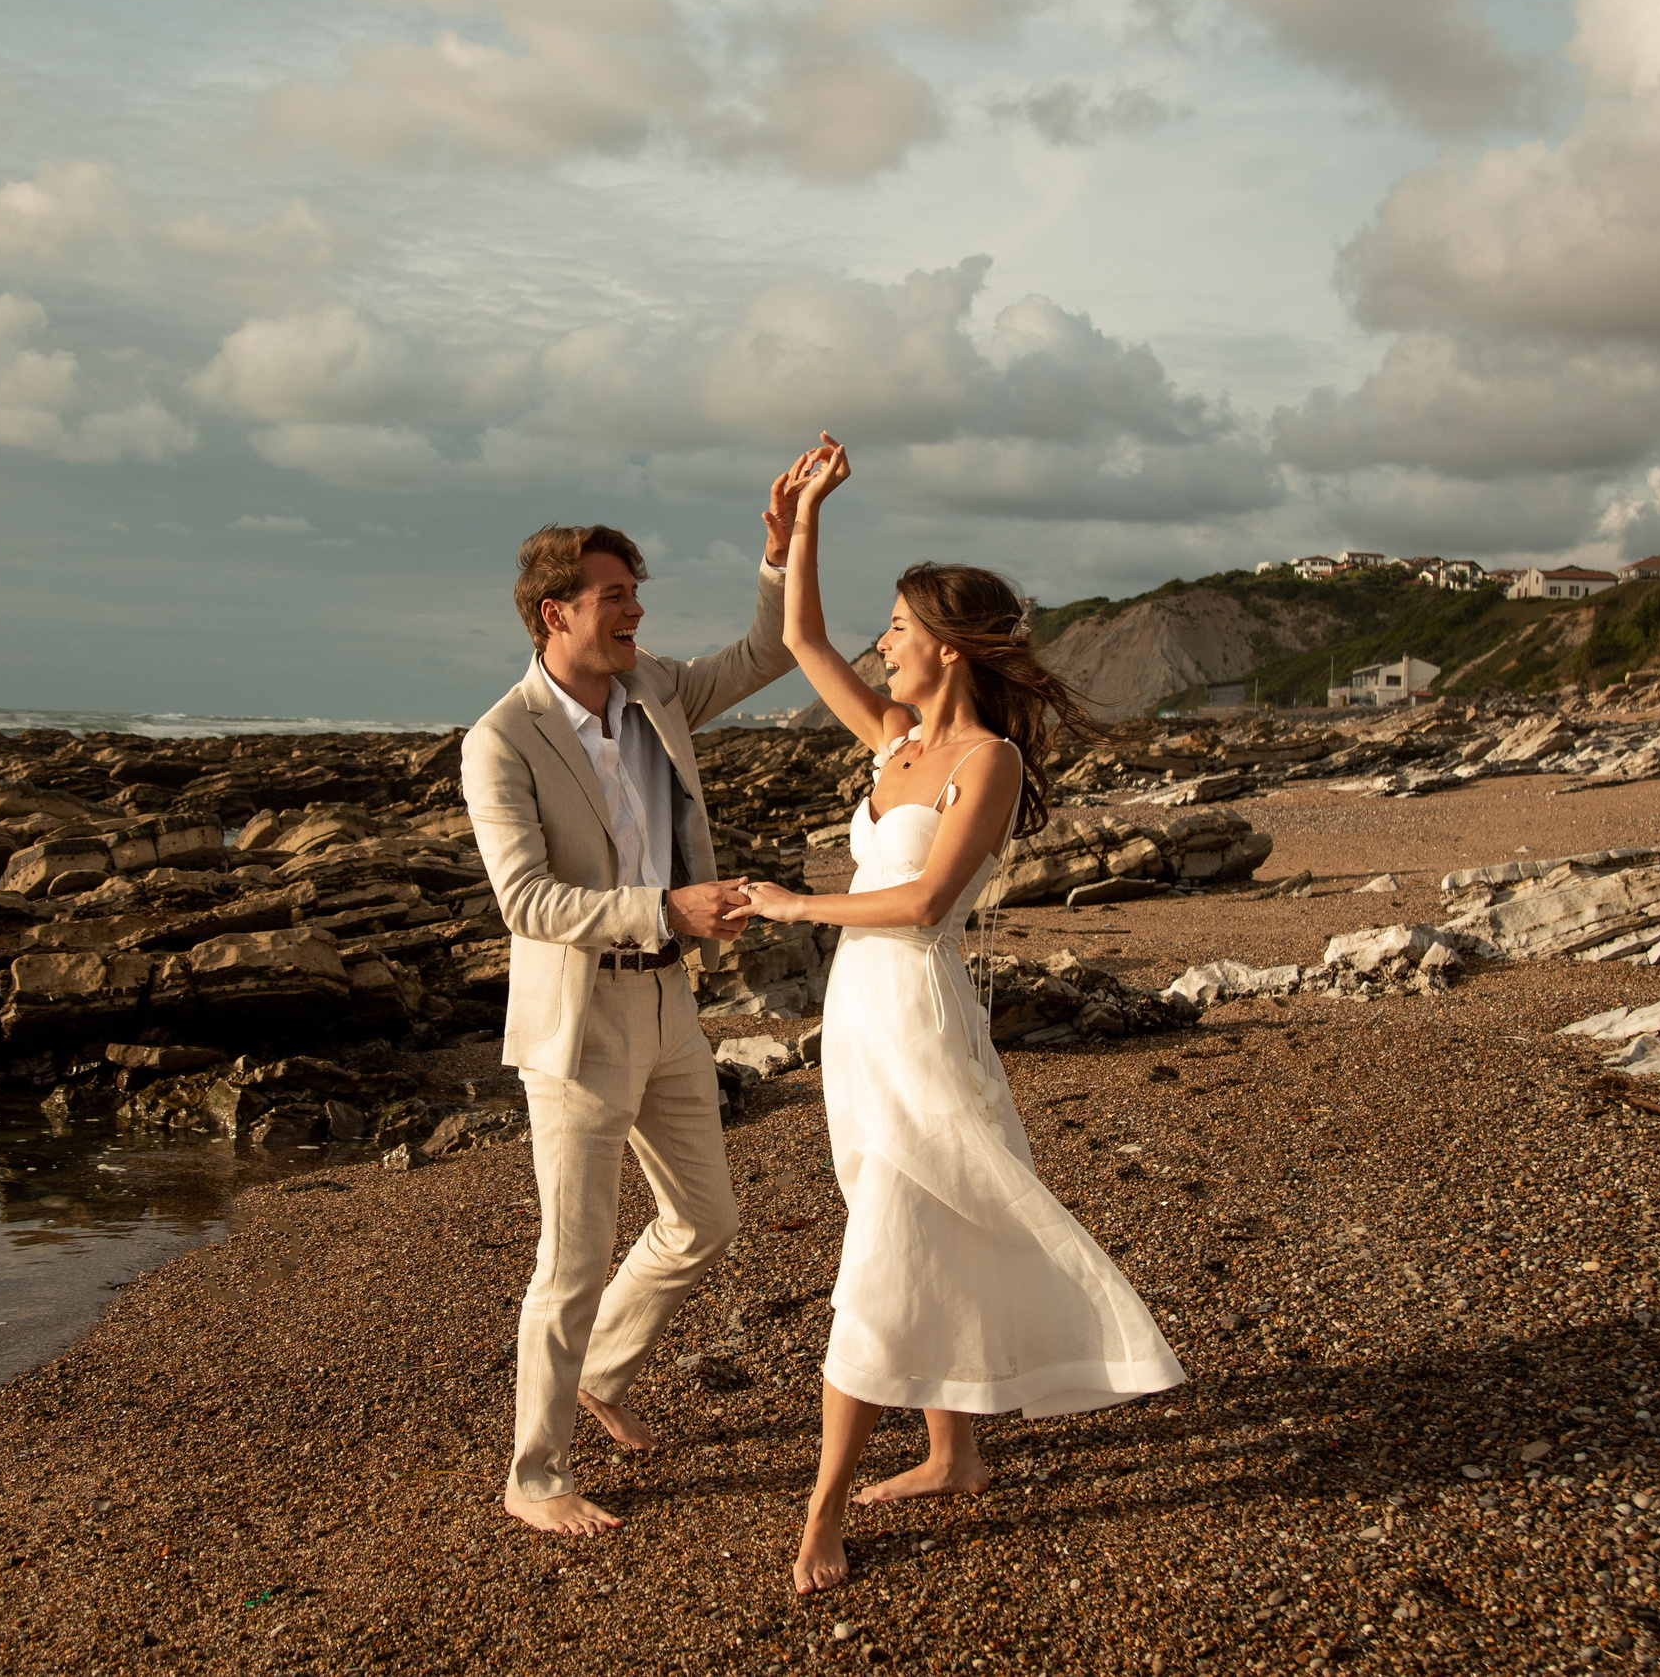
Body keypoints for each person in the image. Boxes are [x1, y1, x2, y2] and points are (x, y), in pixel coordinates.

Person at [738, 434, 1185, 1593]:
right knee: (910, 1226)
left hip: (920, 1015)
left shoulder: (982, 763)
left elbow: (930, 899)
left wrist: (794, 904)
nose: (881, 644)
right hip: (859, 1025)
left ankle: (823, 1512)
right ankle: (956, 1454)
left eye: (897, 628)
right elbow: (798, 638)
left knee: (883, 1248)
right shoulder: (894, 742)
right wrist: (802, 523)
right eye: (885, 628)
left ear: (943, 645)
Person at [461, 485, 803, 1538]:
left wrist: (783, 556)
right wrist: (664, 903)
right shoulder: (501, 740)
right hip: (574, 1026)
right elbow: (525, 902)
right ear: (552, 609)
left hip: (668, 1003)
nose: (635, 612)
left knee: (705, 1220)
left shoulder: (653, 688)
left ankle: (600, 1376)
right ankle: (535, 1473)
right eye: (613, 596)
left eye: (635, 592)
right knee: (569, 1263)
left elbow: (762, 654)